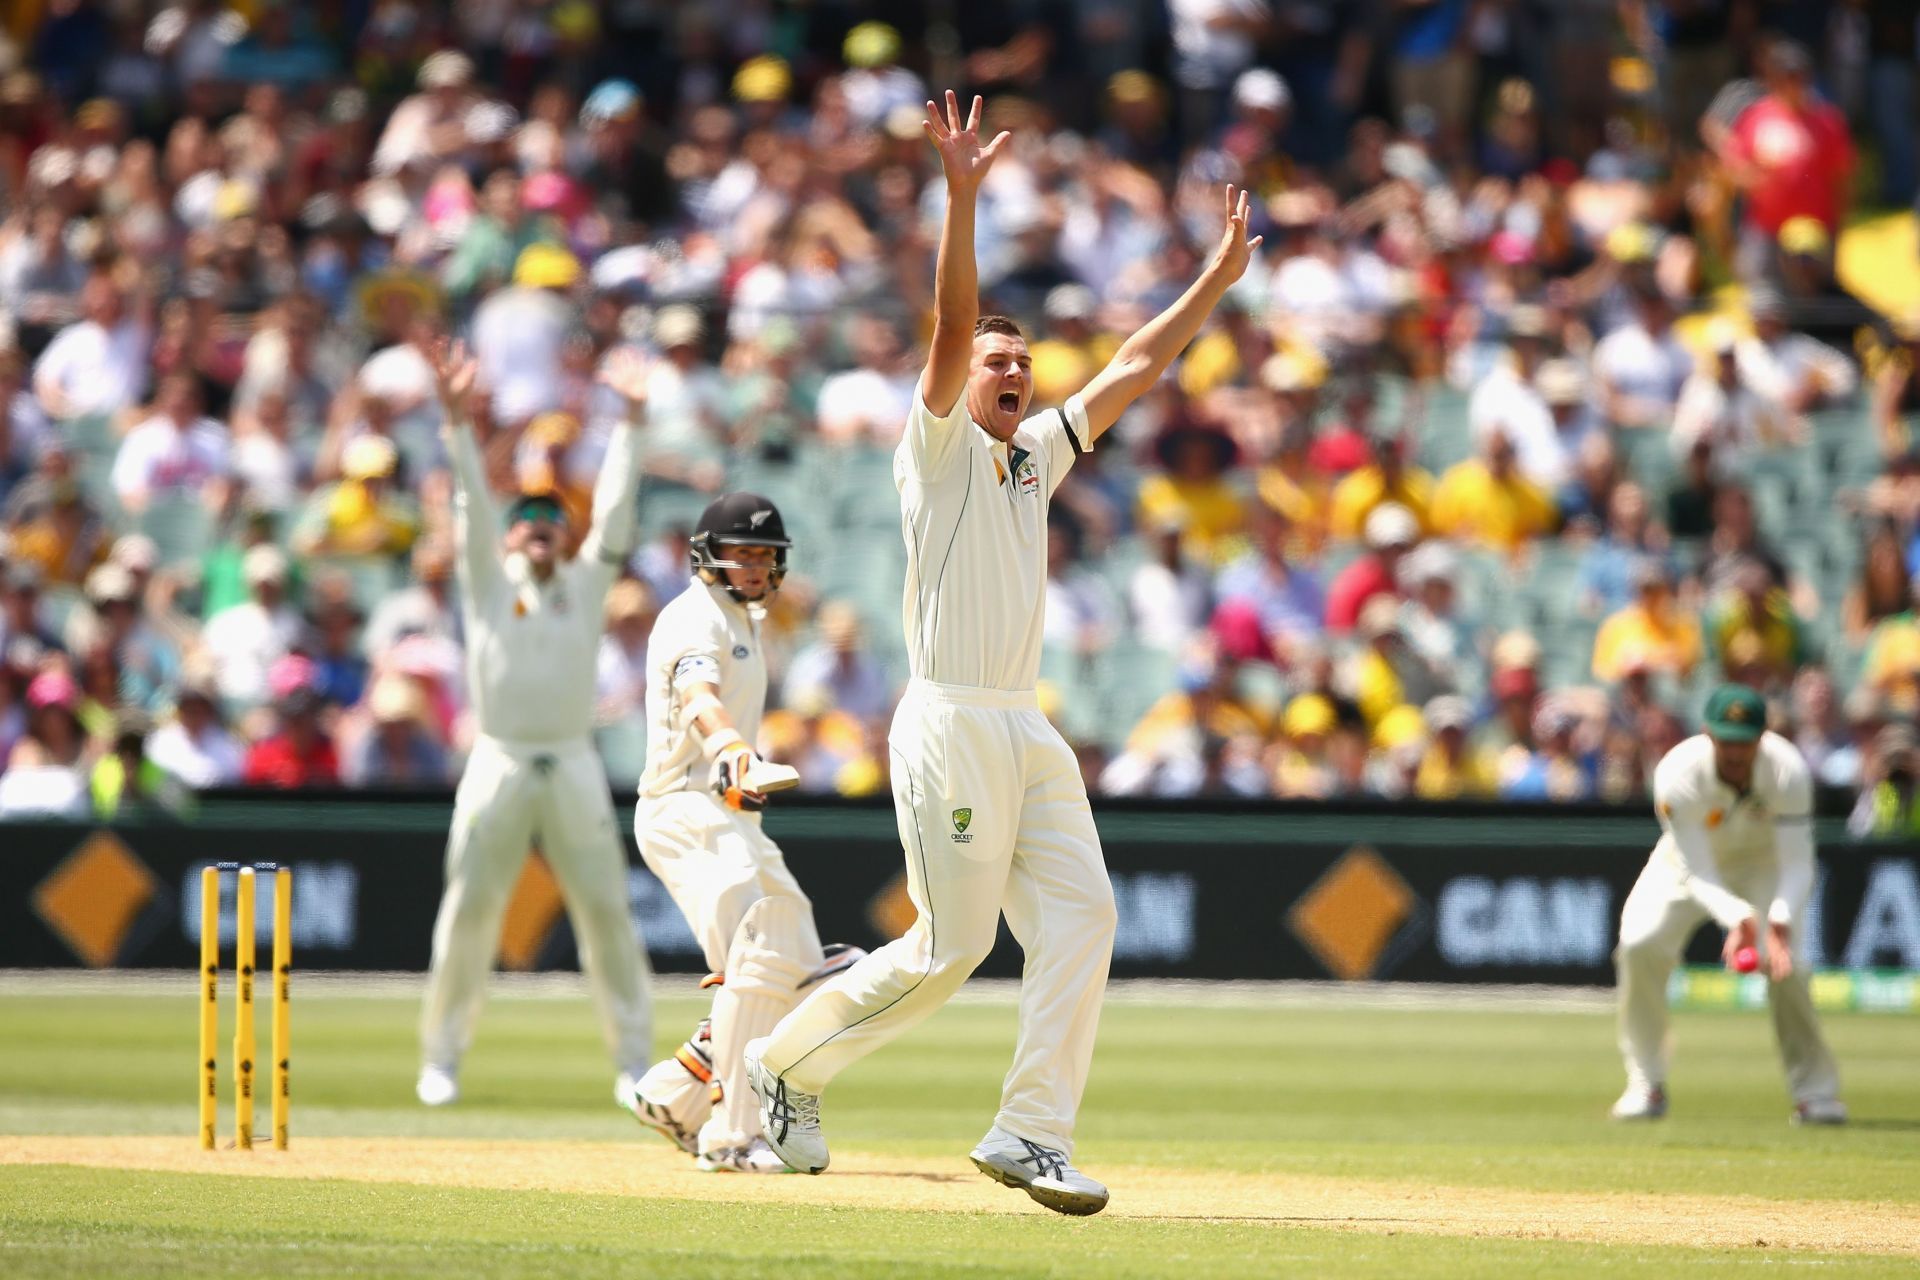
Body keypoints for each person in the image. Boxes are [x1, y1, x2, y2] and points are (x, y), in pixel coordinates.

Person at [740, 93, 1261, 1214]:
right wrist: (960, 199)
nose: (1012, 370)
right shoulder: (930, 451)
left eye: (1021, 359)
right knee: (950, 948)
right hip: (946, 721)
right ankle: (781, 1064)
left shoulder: (1036, 454)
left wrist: (1212, 288)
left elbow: (1131, 365)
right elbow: (944, 330)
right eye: (997, 361)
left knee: (1086, 916)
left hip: (1023, 722)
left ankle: (1031, 1129)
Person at [414, 339, 653, 1110]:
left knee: (607, 913)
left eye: (554, 519)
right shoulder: (486, 580)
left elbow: (613, 512)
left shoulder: (585, 585)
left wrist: (633, 424)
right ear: (511, 537)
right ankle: (442, 1059)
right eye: (529, 522)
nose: (542, 527)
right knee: (469, 913)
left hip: (572, 760)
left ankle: (634, 1063)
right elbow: (472, 509)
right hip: (500, 759)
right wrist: (456, 423)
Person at [625, 493, 865, 1173]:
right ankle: (732, 1140)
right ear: (708, 555)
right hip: (683, 809)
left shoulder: (744, 618)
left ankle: (676, 1091)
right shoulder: (691, 619)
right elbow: (699, 696)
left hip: (733, 815)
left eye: (766, 555)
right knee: (758, 958)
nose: (757, 566)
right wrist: (733, 748)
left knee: (816, 966)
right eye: (743, 553)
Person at [1611, 684, 1845, 1126]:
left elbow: (1798, 865)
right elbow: (1697, 871)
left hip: (1764, 863)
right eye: (1726, 741)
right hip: (1686, 863)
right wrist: (1737, 916)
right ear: (1707, 734)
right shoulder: (1677, 772)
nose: (1735, 753)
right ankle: (1646, 1082)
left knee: (1787, 966)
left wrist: (1776, 919)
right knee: (1639, 942)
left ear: (1763, 736)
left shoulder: (1787, 769)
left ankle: (1816, 1094)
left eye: (1745, 741)